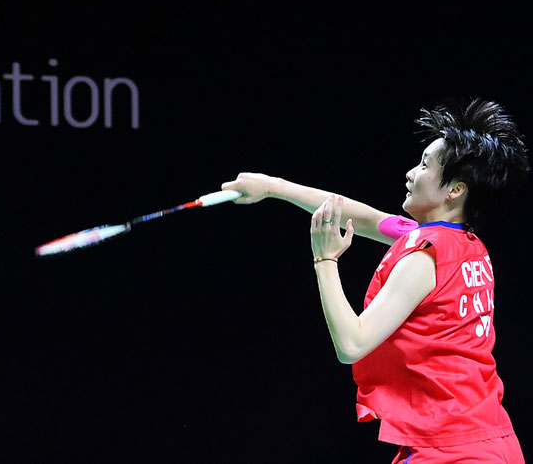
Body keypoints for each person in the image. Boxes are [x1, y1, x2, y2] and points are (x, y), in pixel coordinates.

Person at [222, 98, 527, 464]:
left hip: (450, 451)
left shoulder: (423, 257)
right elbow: (362, 217)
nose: (410, 173)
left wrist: (324, 259)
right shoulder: (465, 244)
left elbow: (352, 344)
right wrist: (271, 187)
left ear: (455, 190)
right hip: (493, 441)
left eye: (425, 165)